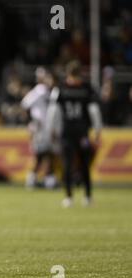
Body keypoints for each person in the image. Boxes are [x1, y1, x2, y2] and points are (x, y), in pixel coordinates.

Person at [46, 60, 103, 207]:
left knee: (68, 165)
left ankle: (69, 197)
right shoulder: (87, 88)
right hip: (81, 133)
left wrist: (51, 129)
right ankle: (87, 197)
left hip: (67, 133)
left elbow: (53, 111)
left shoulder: (60, 88)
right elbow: (94, 111)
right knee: (83, 165)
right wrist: (97, 130)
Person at [21, 67, 57, 189]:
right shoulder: (40, 90)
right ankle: (44, 180)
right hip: (41, 127)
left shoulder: (47, 91)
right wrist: (32, 122)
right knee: (43, 154)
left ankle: (36, 179)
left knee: (43, 155)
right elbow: (25, 104)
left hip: (44, 127)